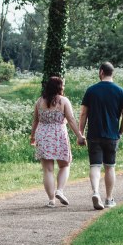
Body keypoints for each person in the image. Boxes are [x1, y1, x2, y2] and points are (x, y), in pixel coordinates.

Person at [78, 62, 123, 210]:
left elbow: (83, 113)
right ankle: (108, 199)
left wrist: (80, 133)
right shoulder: (121, 92)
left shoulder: (91, 90)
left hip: (94, 134)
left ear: (101, 72)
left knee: (95, 166)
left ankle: (95, 192)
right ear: (112, 73)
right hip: (112, 135)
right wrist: (120, 132)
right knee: (110, 167)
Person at [31, 75, 85, 207]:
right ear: (59, 87)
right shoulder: (64, 101)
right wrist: (79, 136)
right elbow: (71, 119)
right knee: (64, 165)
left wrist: (32, 136)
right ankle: (59, 190)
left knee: (48, 170)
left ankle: (51, 200)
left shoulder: (39, 101)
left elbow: (35, 120)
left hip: (43, 135)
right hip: (59, 134)